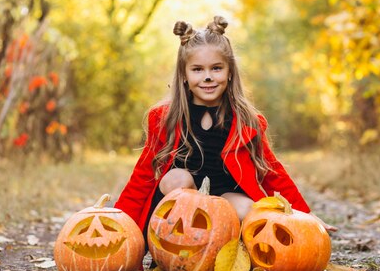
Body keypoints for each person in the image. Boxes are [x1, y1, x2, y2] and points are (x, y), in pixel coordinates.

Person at [114, 16, 336, 237]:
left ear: (230, 72)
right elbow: (142, 176)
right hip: (180, 203)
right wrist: (120, 223)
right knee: (176, 178)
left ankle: (226, 247)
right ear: (184, 74)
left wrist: (304, 214)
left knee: (249, 209)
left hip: (224, 198)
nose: (208, 77)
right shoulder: (165, 118)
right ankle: (186, 243)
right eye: (198, 70)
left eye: (216, 68)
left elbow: (272, 173)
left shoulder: (247, 120)